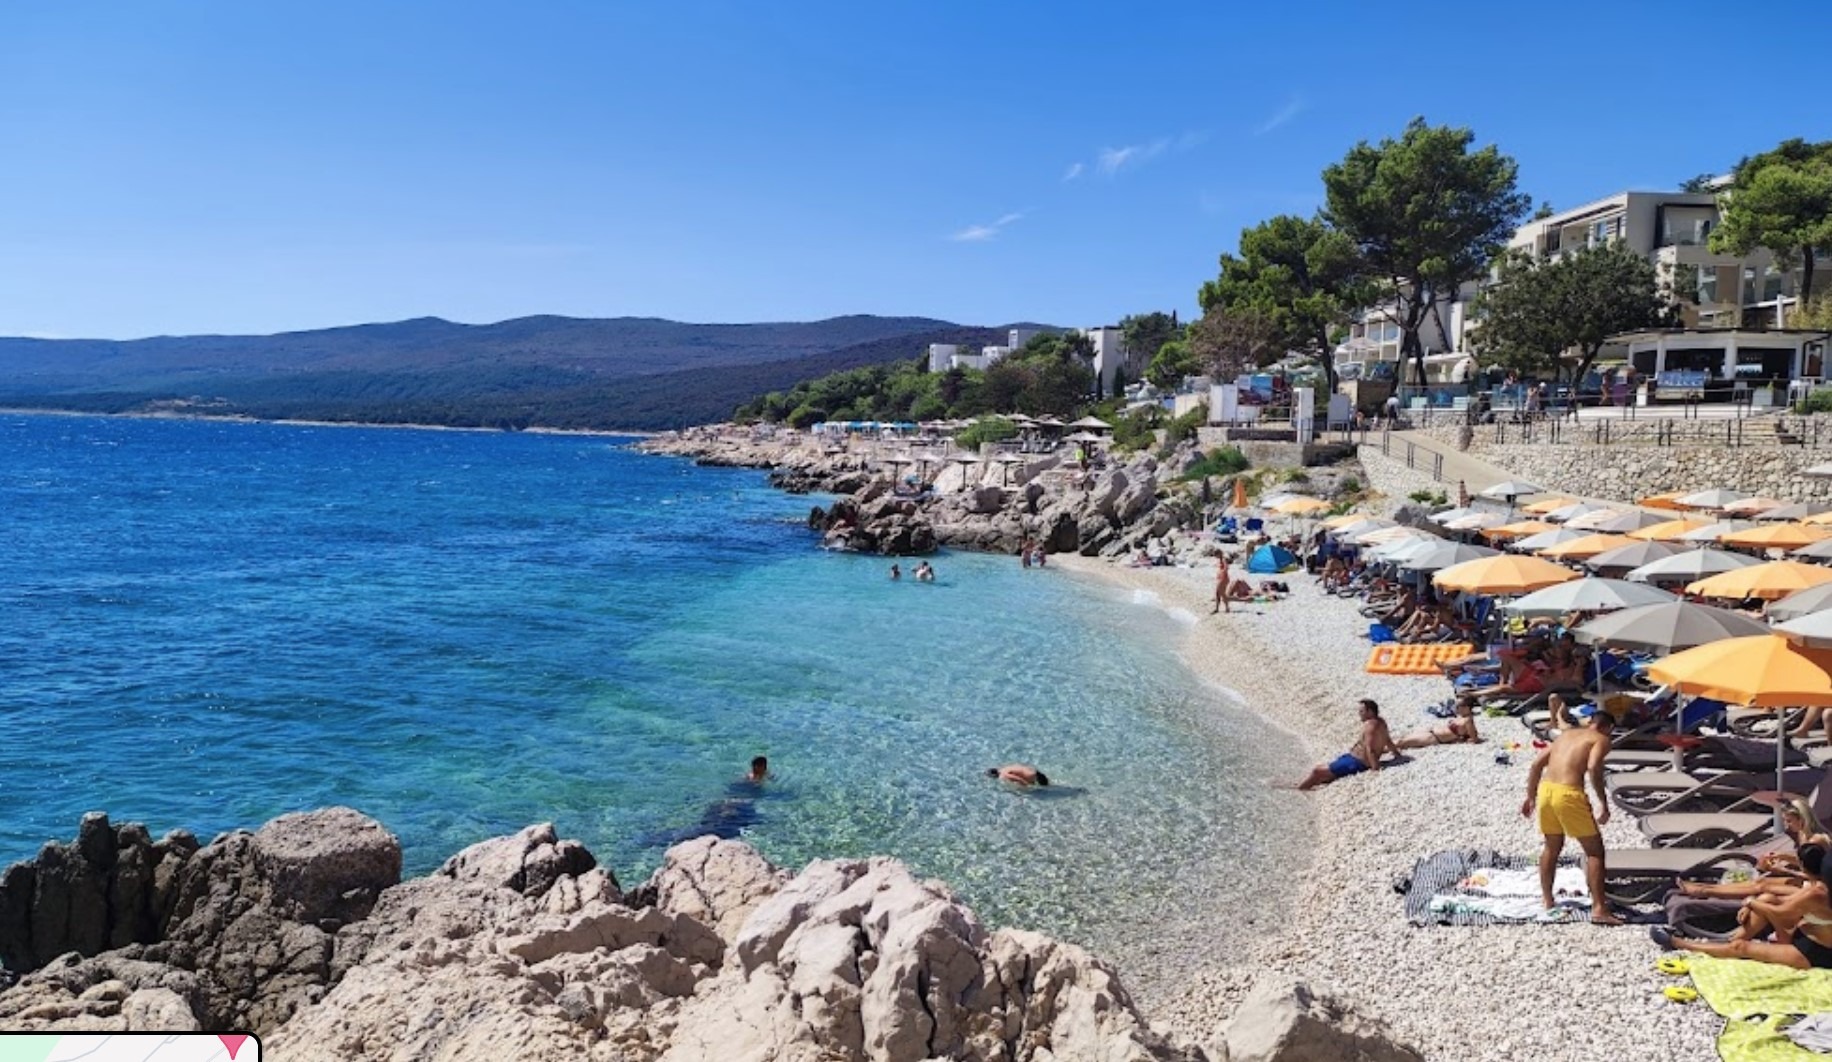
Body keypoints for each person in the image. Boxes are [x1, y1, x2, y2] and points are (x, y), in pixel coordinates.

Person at [1653, 844, 1832, 970]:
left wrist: (1750, 902)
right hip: (1802, 933)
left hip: (1815, 952)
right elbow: (1787, 903)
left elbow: (1781, 913)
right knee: (1768, 897)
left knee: (1742, 948)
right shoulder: (1819, 888)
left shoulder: (1817, 894)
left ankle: (1677, 943)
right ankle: (1726, 943)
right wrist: (1758, 900)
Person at [1520, 705, 1622, 925]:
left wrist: (1530, 797)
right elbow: (1594, 766)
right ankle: (1599, 909)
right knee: (1595, 852)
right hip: (1569, 794)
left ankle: (1548, 900)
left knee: (1551, 847)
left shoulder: (1565, 735)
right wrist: (1603, 802)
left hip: (1547, 790)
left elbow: (1537, 764)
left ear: (1590, 721)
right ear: (1608, 728)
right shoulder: (1601, 739)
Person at [1678, 797, 1832, 901]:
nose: (1787, 826)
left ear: (1802, 819)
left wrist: (1785, 871)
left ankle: (1703, 891)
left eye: (1789, 821)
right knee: (1761, 881)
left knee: (1762, 886)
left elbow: (1820, 876)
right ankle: (1704, 887)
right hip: (1808, 882)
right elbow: (1809, 863)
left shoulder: (1818, 840)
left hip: (1819, 892)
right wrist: (1783, 857)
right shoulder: (1802, 834)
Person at [1290, 700, 1398, 790]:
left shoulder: (1370, 727)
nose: (1359, 713)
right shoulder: (1381, 722)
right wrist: (1397, 755)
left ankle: (1299, 790)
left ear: (1370, 711)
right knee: (1324, 771)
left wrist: (1375, 769)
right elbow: (1387, 740)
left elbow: (1370, 749)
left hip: (1356, 763)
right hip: (1352, 758)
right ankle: (1305, 785)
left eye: (1361, 711)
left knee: (1317, 771)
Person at [1395, 696, 1482, 748]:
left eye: (1458, 706)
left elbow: (1474, 738)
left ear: (1466, 707)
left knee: (1401, 743)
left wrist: (1461, 740)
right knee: (1401, 739)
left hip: (1434, 738)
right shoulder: (1460, 717)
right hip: (1430, 731)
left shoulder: (1468, 720)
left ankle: (1382, 750)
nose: (1456, 708)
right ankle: (1382, 747)